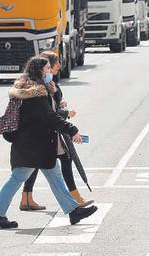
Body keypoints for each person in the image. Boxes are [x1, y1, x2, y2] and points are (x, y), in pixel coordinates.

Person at [0, 56, 97, 229]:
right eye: (47, 69)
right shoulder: (36, 93)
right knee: (18, 178)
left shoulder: (27, 88)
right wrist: (72, 129)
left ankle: (74, 211)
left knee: (53, 175)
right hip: (33, 146)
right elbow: (49, 117)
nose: (50, 72)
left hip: (32, 145)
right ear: (39, 71)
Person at [20, 51, 93, 211]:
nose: (59, 65)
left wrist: (58, 105)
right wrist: (66, 115)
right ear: (46, 66)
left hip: (50, 131)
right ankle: (75, 201)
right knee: (64, 161)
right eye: (56, 62)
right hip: (48, 133)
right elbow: (46, 113)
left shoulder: (48, 83)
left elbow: (48, 108)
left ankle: (27, 198)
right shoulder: (39, 86)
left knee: (36, 166)